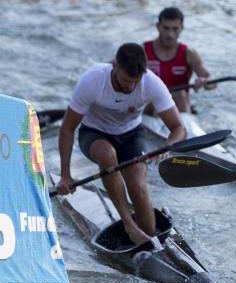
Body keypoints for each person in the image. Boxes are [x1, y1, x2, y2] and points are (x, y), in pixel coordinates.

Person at [56, 43, 186, 245]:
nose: (130, 87)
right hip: (93, 134)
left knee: (138, 188)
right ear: (114, 66)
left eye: (135, 81)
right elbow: (67, 128)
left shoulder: (151, 83)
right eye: (126, 80)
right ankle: (129, 225)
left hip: (130, 136)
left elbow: (179, 128)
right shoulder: (92, 80)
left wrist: (167, 146)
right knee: (108, 155)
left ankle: (153, 245)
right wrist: (65, 175)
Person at [144, 7, 214, 113]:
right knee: (157, 98)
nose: (170, 34)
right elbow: (114, 69)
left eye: (175, 29)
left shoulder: (189, 54)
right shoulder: (143, 51)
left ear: (182, 28)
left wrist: (205, 82)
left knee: (180, 94)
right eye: (166, 28)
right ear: (158, 26)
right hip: (151, 107)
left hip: (179, 105)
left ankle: (183, 126)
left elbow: (212, 82)